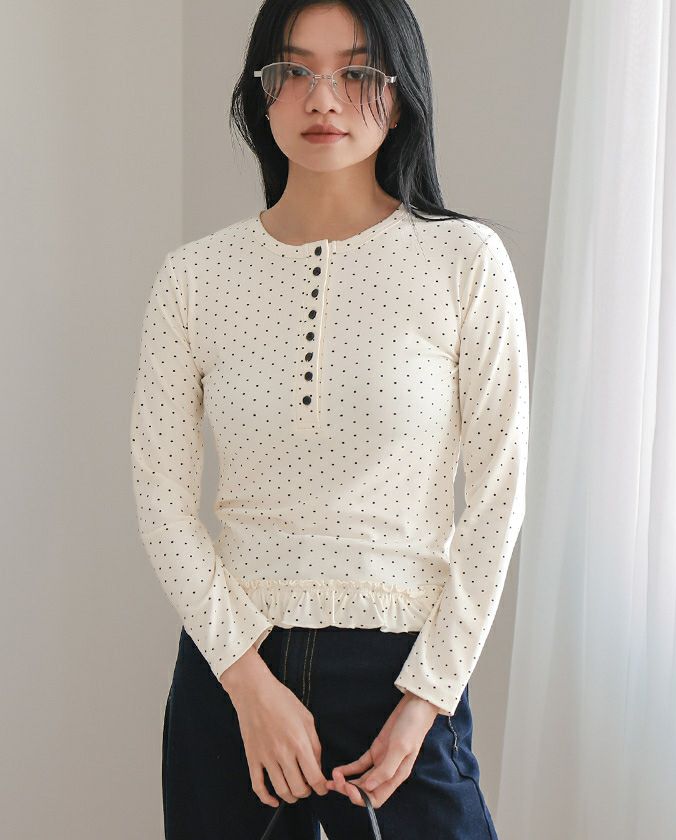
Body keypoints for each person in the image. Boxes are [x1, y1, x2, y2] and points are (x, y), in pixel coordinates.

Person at [129, 1, 529, 838]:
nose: (322, 98)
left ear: (400, 91)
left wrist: (426, 700)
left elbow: (498, 499)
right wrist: (246, 682)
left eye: (355, 71)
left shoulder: (464, 262)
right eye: (294, 69)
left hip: (399, 672)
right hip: (233, 665)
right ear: (261, 91)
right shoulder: (193, 278)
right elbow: (160, 496)